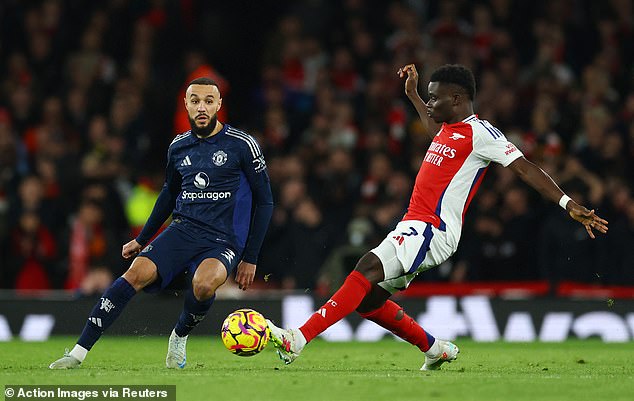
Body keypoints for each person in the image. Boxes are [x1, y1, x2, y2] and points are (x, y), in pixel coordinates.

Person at [266, 64, 608, 370]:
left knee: (365, 269)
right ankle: (433, 348)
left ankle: (299, 338)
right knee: (369, 302)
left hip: (433, 229)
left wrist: (567, 203)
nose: (430, 105)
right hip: (414, 225)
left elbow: (524, 169)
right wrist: (413, 95)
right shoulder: (448, 130)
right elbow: (434, 131)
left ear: (457, 99)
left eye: (434, 98)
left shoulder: (481, 134)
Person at [49, 77, 274, 369]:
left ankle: (179, 335)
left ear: (219, 104)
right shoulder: (178, 147)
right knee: (134, 274)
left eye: (208, 101)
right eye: (195, 101)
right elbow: (169, 193)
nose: (202, 107)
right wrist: (142, 239)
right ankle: (78, 352)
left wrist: (251, 257)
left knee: (204, 285)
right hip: (182, 229)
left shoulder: (242, 145)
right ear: (186, 105)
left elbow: (265, 201)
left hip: (224, 237)